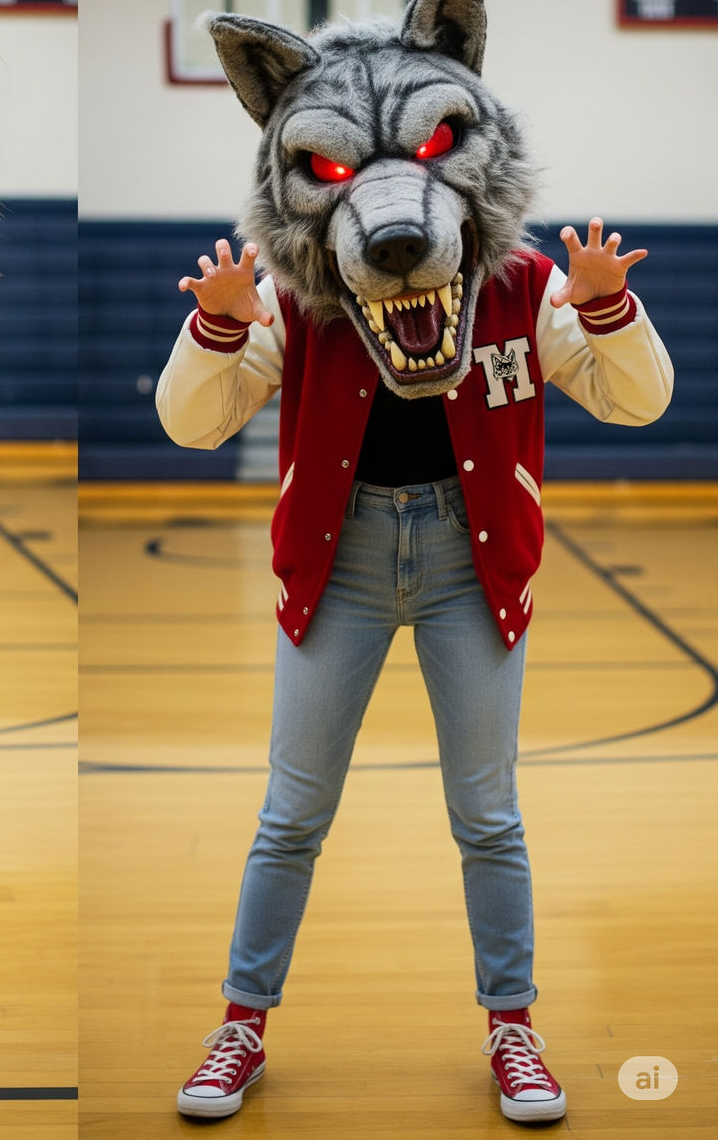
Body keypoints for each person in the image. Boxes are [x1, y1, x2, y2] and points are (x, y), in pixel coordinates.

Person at [160, 222, 672, 1122]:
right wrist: (218, 328)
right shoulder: (303, 282)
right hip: (337, 559)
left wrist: (604, 308)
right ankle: (241, 1025)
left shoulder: (520, 281)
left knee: (488, 814)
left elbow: (639, 401)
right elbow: (193, 424)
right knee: (292, 813)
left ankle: (512, 1027)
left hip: (472, 562)